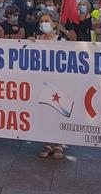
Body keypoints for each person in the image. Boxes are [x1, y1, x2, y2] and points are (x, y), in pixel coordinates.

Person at [32, 10, 67, 160]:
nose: (44, 23)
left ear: (54, 23)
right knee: (44, 115)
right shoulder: (37, 39)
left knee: (57, 114)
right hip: (41, 83)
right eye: (42, 21)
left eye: (47, 20)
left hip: (58, 84)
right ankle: (47, 144)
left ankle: (59, 145)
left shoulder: (61, 41)